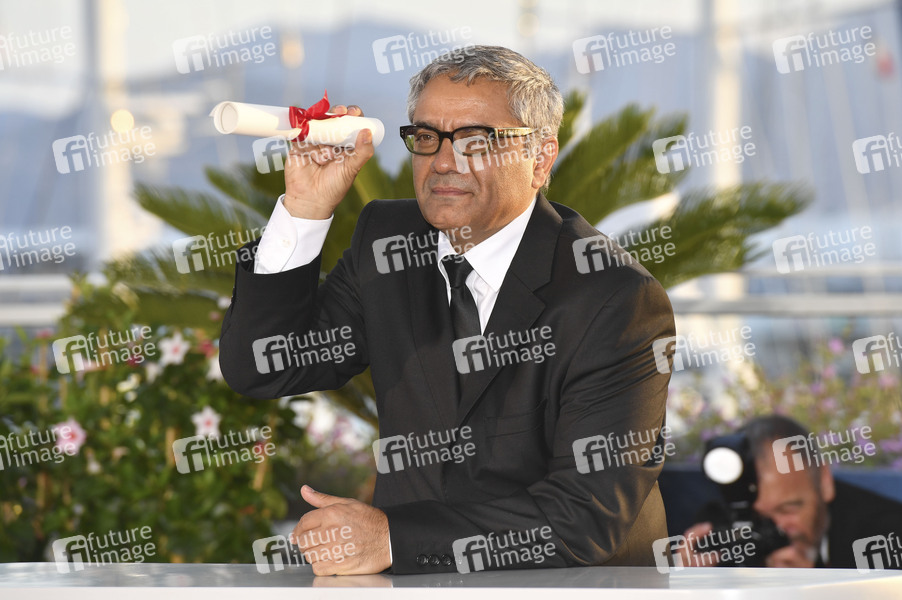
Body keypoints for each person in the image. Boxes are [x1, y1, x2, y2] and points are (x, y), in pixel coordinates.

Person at [219, 45, 676, 575]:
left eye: (475, 140)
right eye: (427, 136)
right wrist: (305, 209)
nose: (442, 161)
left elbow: (587, 515)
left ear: (540, 158)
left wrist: (391, 540)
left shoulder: (615, 298)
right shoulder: (387, 243)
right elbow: (263, 367)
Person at [682, 415, 902, 568]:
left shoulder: (888, 537)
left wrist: (816, 587)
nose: (776, 528)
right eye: (757, 518)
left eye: (788, 509)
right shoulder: (718, 534)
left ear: (824, 482)